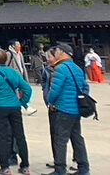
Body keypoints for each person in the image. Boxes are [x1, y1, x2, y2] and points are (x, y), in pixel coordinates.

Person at [42, 43, 91, 175]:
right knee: (77, 138)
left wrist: (50, 101)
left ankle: (60, 169)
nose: (55, 53)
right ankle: (83, 167)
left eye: (57, 51)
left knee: (60, 140)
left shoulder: (61, 69)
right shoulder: (77, 68)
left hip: (63, 109)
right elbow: (85, 88)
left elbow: (54, 91)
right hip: (76, 109)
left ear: (63, 53)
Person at [0, 48, 33, 175]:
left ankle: (5, 167)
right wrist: (23, 102)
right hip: (14, 107)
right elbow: (27, 89)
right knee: (20, 136)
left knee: (2, 136)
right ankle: (25, 166)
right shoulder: (13, 72)